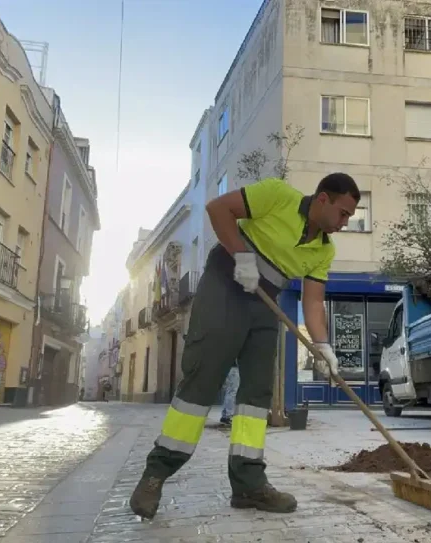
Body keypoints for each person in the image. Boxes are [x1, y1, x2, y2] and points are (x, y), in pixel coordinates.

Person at [129, 173, 360, 519]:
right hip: (226, 283)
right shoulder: (278, 195)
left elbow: (313, 303)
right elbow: (218, 208)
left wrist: (323, 346)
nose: (345, 223)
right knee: (202, 380)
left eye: (350, 217)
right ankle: (155, 475)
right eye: (343, 213)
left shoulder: (324, 250)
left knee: (257, 393)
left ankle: (248, 483)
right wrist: (242, 257)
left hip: (266, 301)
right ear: (323, 199)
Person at [218, 361, 239, 427]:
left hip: (229, 367)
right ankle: (227, 415)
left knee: (229, 391)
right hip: (233, 368)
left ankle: (225, 415)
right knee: (232, 391)